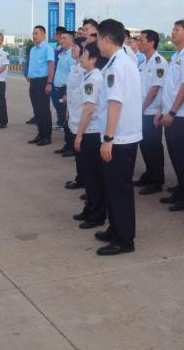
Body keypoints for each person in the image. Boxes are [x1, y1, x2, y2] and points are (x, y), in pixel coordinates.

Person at [94, 19, 143, 256]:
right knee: (114, 187)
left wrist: (108, 138)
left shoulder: (117, 65)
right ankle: (115, 228)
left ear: (106, 39)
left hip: (119, 138)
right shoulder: (123, 61)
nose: (96, 44)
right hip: (124, 136)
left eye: (97, 39)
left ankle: (124, 239)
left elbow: (115, 103)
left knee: (119, 190)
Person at [155, 20, 184, 211]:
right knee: (176, 156)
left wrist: (172, 112)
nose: (172, 32)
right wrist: (162, 110)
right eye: (173, 29)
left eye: (177, 30)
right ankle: (182, 189)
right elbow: (169, 87)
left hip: (182, 115)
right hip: (172, 112)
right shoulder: (177, 55)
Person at [71, 42, 109, 229]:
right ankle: (90, 208)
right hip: (86, 131)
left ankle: (97, 214)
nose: (81, 56)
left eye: (84, 53)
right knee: (89, 175)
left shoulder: (94, 78)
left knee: (93, 177)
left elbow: (89, 109)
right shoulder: (89, 76)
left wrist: (79, 135)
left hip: (91, 133)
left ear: (93, 59)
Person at [134, 29, 168, 195]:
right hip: (142, 111)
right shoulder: (142, 62)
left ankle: (157, 180)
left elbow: (154, 90)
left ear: (151, 43)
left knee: (153, 146)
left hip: (151, 112)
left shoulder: (159, 62)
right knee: (145, 145)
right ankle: (149, 173)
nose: (138, 43)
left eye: (141, 40)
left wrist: (141, 109)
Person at [64, 37, 87, 189]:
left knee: (83, 153)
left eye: (75, 47)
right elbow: (71, 93)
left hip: (81, 115)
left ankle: (84, 181)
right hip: (73, 113)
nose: (72, 49)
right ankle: (80, 178)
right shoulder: (76, 66)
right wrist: (68, 111)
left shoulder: (85, 70)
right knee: (79, 153)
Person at [27, 25, 55, 146]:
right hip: (33, 82)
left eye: (36, 33)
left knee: (44, 110)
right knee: (37, 110)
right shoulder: (33, 49)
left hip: (43, 81)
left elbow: (51, 66)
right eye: (33, 33)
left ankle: (47, 136)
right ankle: (40, 134)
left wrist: (49, 83)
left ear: (43, 35)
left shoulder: (47, 48)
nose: (34, 36)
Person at [53, 30, 74, 155]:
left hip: (66, 90)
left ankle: (71, 147)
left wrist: (67, 92)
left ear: (71, 40)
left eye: (64, 38)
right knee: (63, 118)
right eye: (61, 38)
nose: (61, 40)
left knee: (68, 120)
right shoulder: (62, 53)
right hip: (59, 89)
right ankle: (67, 144)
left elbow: (72, 75)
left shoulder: (71, 55)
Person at [51, 26, 67, 128]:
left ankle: (63, 122)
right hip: (55, 78)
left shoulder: (65, 50)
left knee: (62, 104)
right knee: (56, 102)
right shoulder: (57, 47)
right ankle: (60, 121)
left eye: (56, 34)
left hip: (62, 81)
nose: (54, 36)